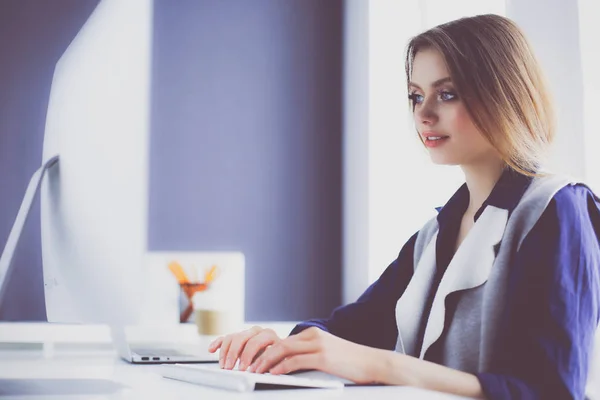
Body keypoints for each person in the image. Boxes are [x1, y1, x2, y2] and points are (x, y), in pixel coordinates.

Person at [208, 14, 600, 400]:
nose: (423, 114)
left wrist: (382, 366)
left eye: (447, 94)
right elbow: (351, 330)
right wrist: (274, 344)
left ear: (503, 93)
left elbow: (552, 391)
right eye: (416, 95)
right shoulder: (436, 232)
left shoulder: (559, 210)